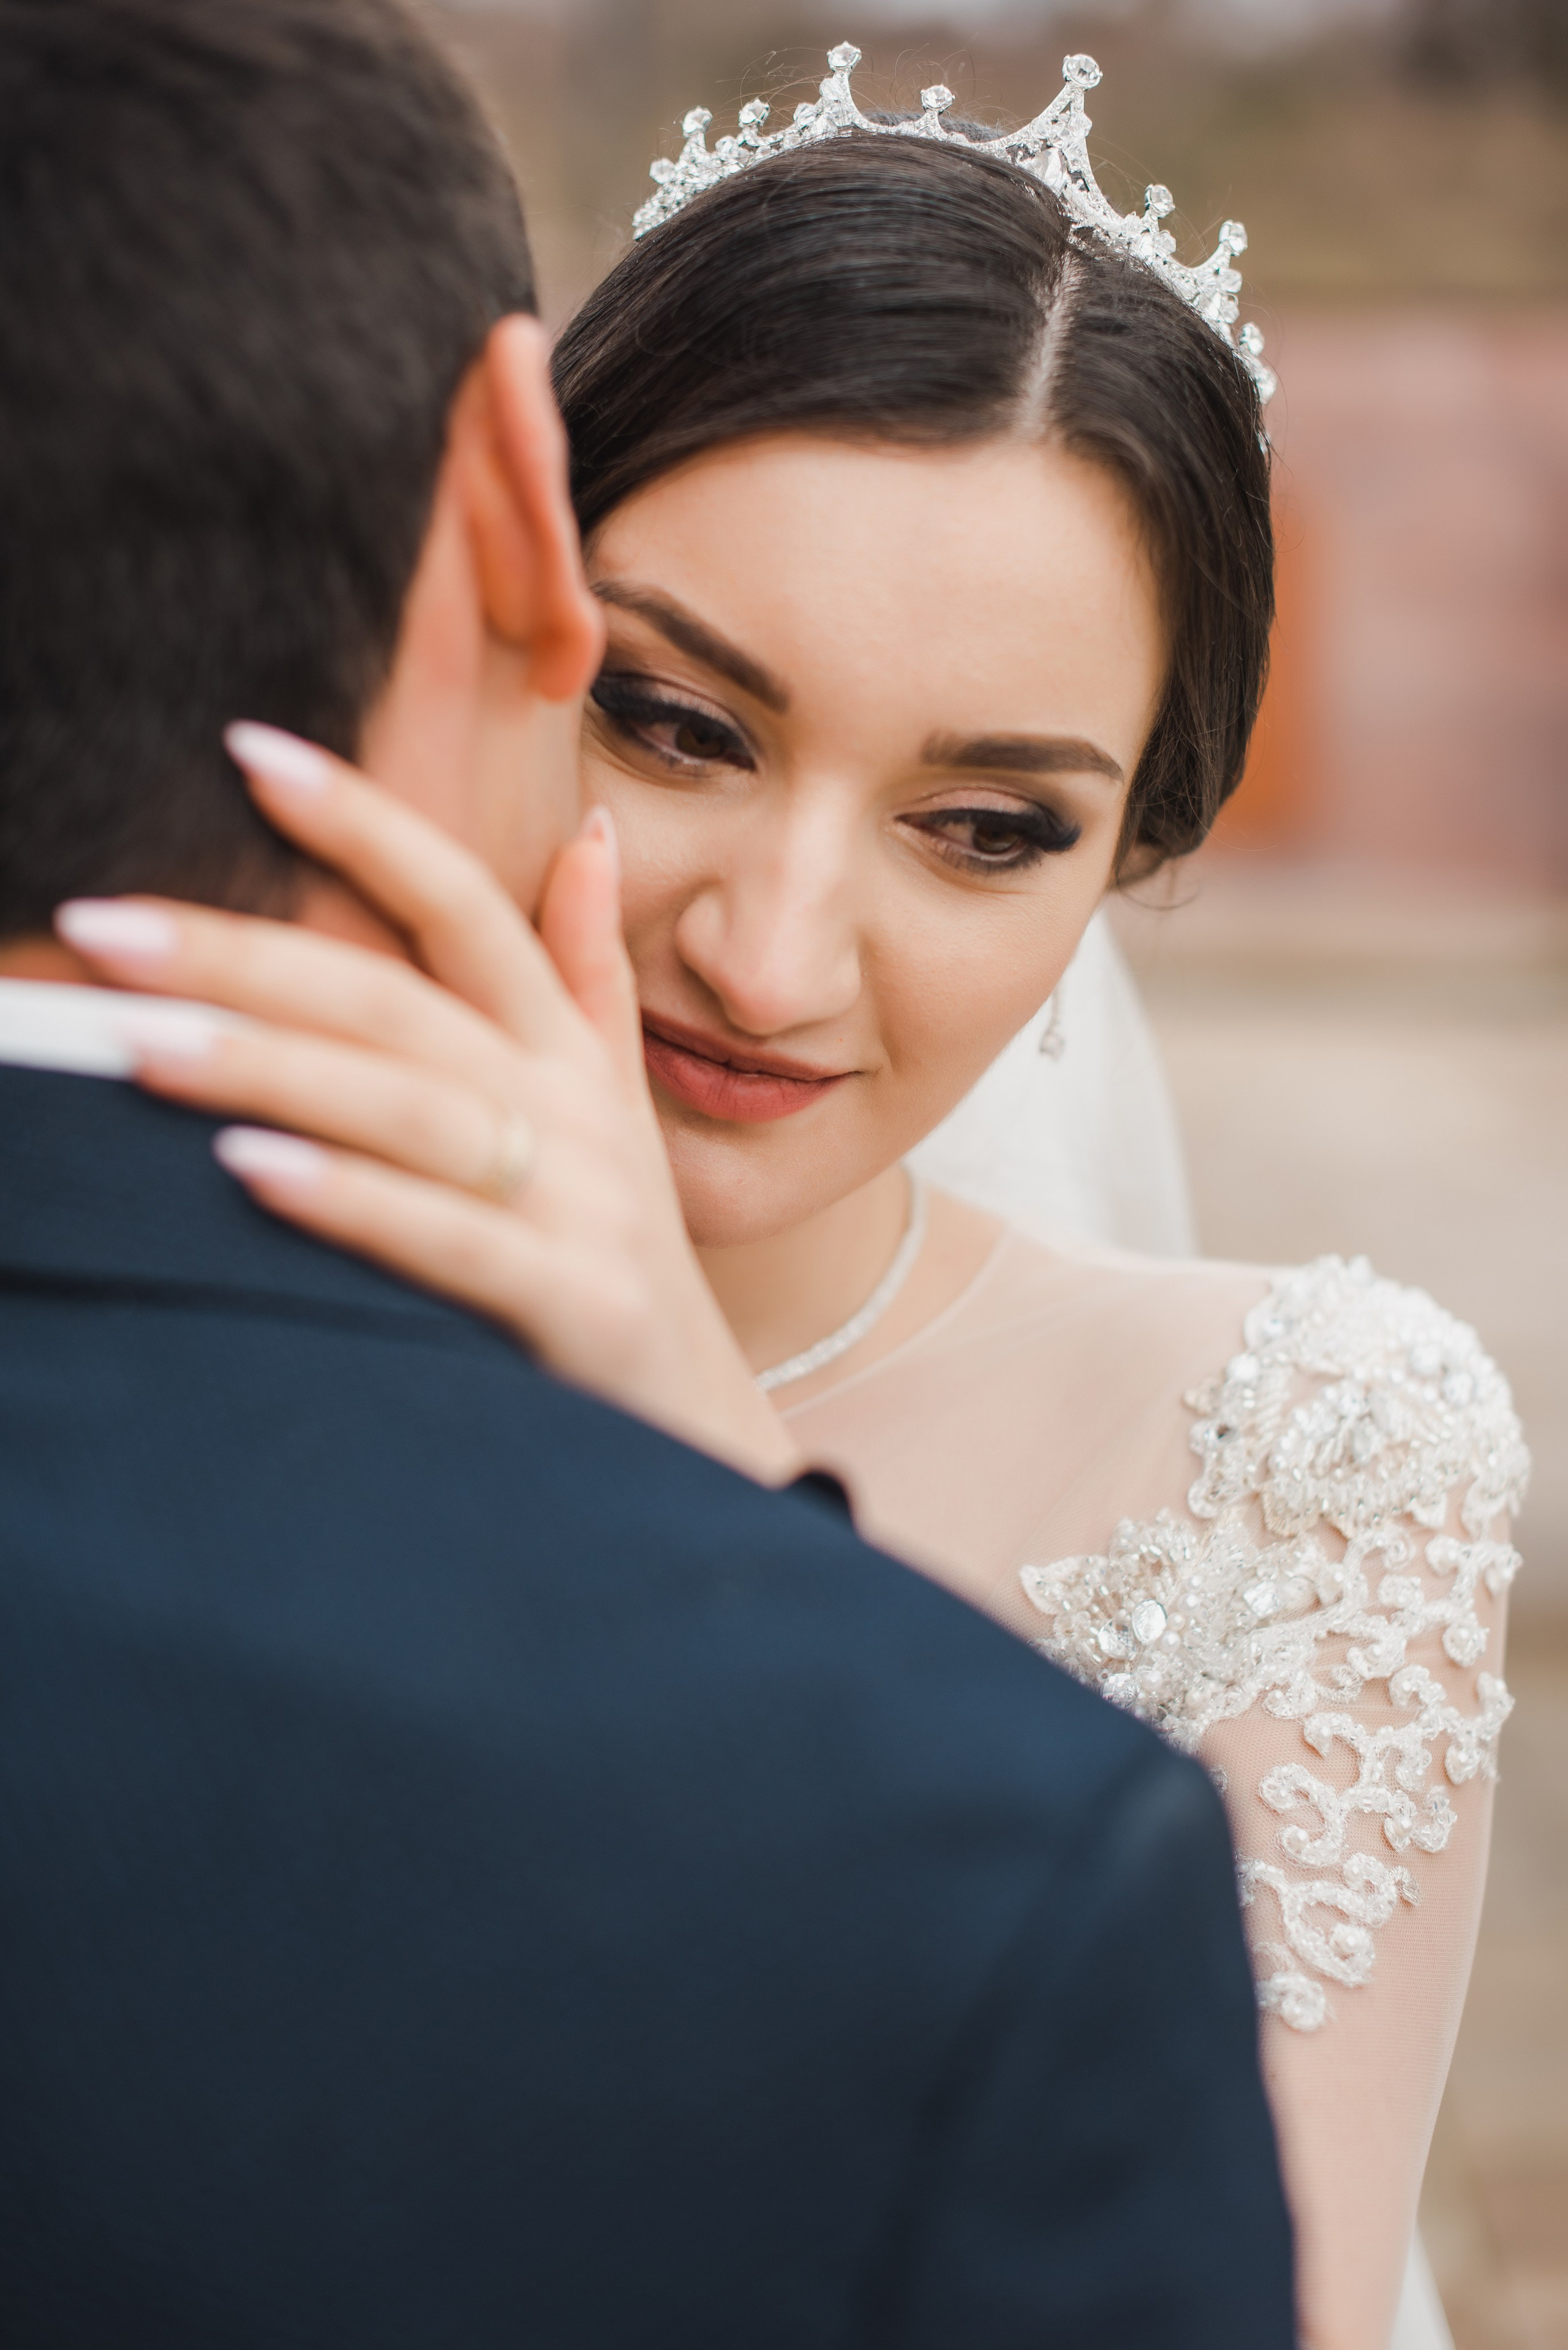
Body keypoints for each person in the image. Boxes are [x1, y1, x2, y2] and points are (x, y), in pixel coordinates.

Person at [83, 42, 1529, 2349]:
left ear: (1130, 862)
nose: (767, 954)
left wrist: (717, 1478)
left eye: (985, 830)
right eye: (675, 723)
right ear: (494, 617)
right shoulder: (151, 1267)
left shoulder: (1313, 1461)